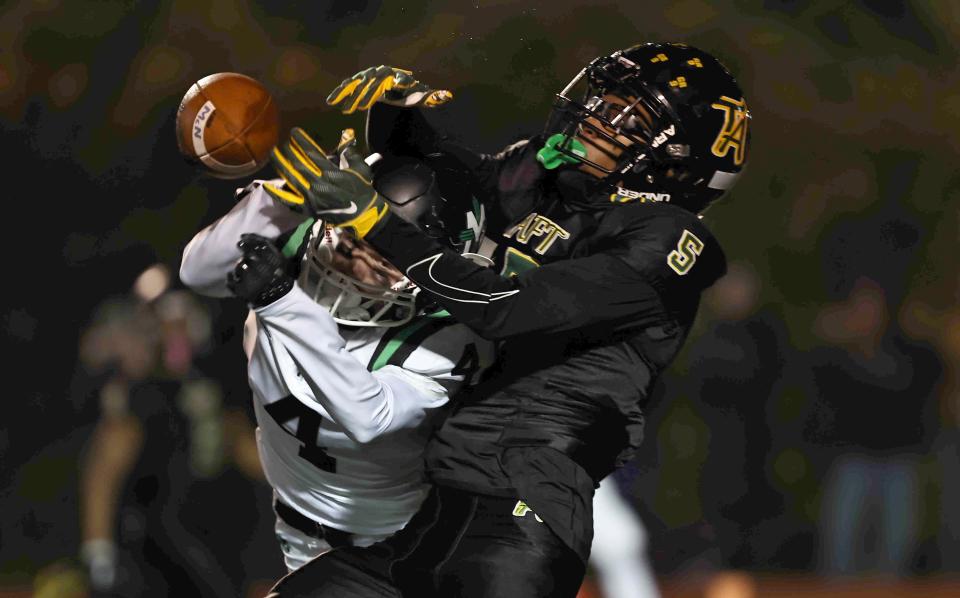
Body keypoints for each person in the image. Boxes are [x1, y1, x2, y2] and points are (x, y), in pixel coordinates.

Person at [265, 42, 751, 597]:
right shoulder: (553, 182)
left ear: (677, 160)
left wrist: (375, 221)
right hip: (435, 510)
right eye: (602, 103)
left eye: (627, 119)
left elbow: (505, 308)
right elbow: (449, 175)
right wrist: (397, 116)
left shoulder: (665, 239)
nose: (596, 120)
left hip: (522, 515)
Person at [179, 148, 495, 573]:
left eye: (385, 257)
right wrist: (283, 199)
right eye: (351, 239)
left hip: (400, 545)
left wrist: (282, 301)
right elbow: (197, 272)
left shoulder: (449, 334)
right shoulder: (299, 247)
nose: (356, 268)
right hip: (293, 531)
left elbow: (368, 416)